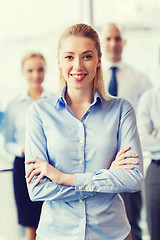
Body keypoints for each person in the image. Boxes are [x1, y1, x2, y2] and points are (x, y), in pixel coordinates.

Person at [25, 23, 143, 240]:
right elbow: (37, 190)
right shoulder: (39, 113)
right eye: (69, 57)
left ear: (99, 60)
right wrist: (106, 178)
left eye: (86, 56)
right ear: (59, 63)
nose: (78, 65)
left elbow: (133, 178)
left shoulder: (121, 110)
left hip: (112, 233)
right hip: (56, 233)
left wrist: (63, 178)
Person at [101, 23, 152, 240]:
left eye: (118, 38)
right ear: (102, 43)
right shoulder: (90, 77)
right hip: (99, 159)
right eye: (109, 39)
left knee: (131, 224)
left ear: (124, 42)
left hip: (129, 160)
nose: (113, 43)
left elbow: (154, 111)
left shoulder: (140, 79)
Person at [3, 52, 53, 240]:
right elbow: (7, 142)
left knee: (53, 223)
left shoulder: (55, 100)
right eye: (30, 70)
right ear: (23, 73)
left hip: (51, 166)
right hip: (24, 169)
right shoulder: (13, 105)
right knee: (31, 228)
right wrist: (22, 149)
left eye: (40, 69)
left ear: (46, 70)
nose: (35, 75)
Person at [137, 87, 160, 240]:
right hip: (157, 168)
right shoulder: (150, 97)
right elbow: (143, 139)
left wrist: (156, 134)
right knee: (156, 228)